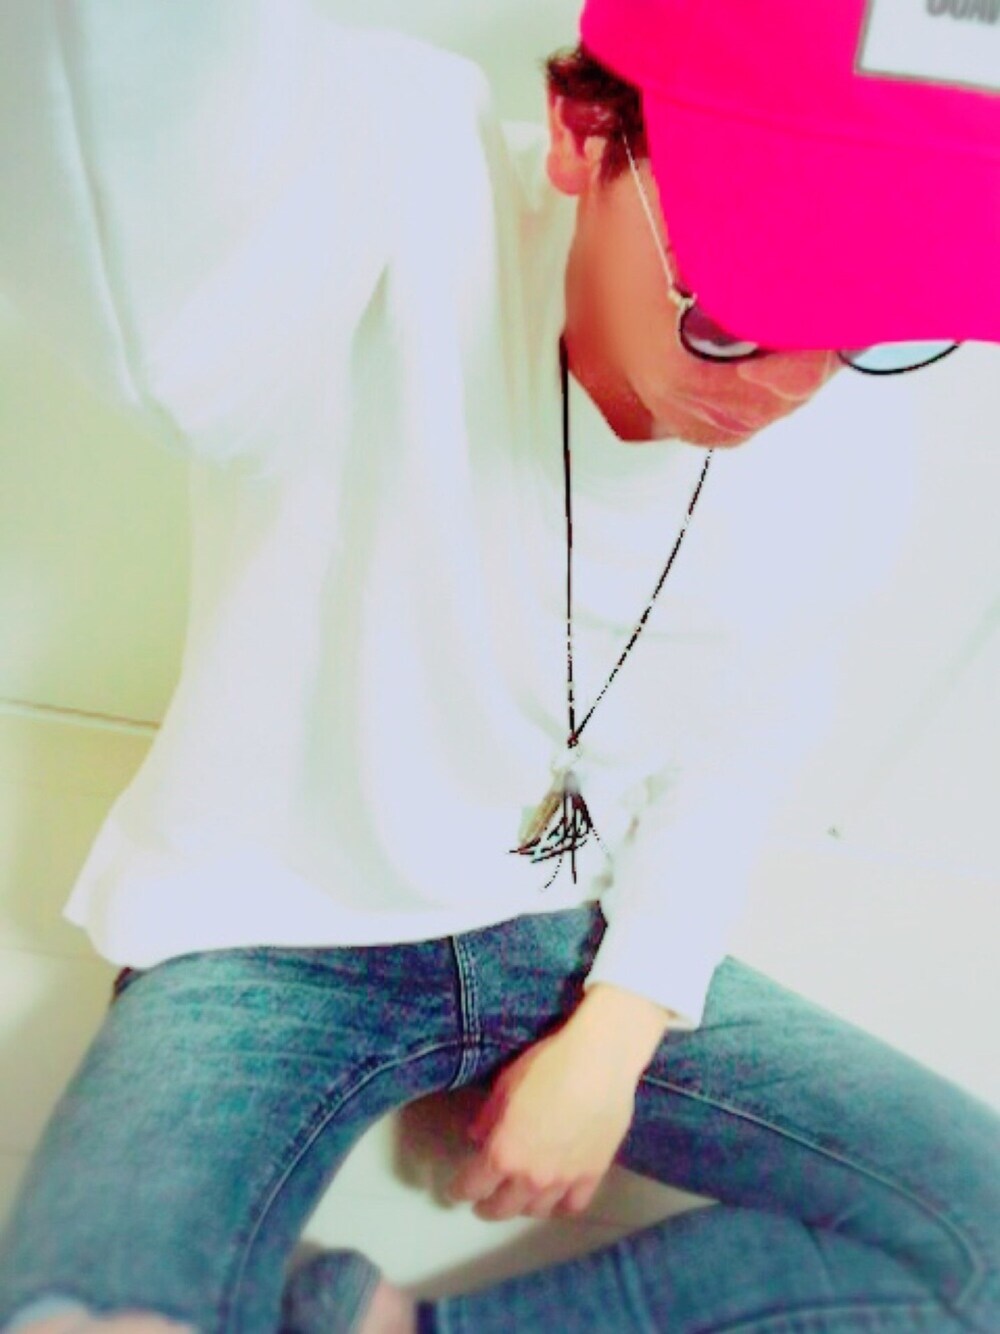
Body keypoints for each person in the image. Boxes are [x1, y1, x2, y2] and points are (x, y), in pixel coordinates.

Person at [0, 1, 998, 1332]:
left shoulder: (853, 438)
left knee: (985, 1235)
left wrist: (619, 1028)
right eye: (737, 306)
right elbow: (157, 226)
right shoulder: (396, 181)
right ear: (585, 133)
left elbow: (743, 740)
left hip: (574, 933)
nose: (786, 386)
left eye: (867, 323)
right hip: (271, 922)